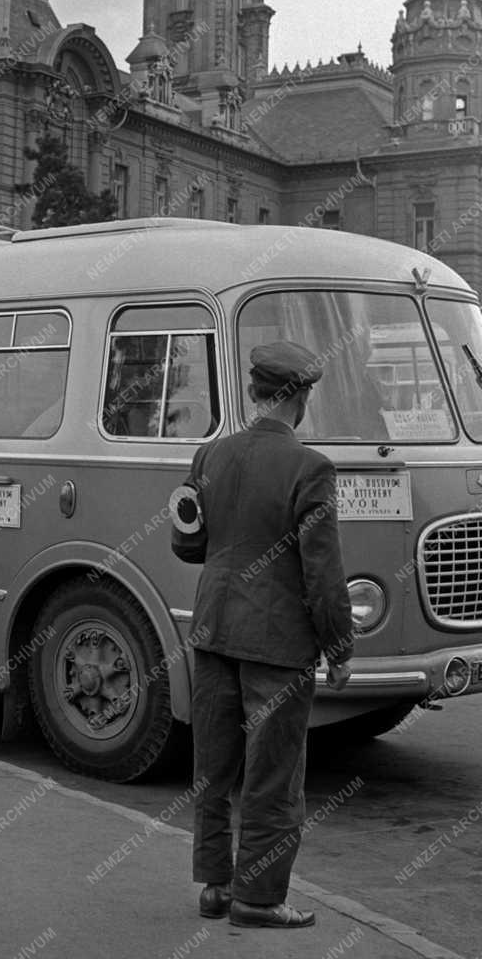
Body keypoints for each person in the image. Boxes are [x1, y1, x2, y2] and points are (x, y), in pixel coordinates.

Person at [171, 340, 354, 930]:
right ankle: (259, 899)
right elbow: (322, 571)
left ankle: (216, 888)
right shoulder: (310, 469)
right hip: (277, 643)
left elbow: (188, 545)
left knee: (215, 767)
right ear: (299, 397)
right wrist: (339, 646)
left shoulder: (211, 456)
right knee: (273, 774)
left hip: (214, 629)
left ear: (254, 392)